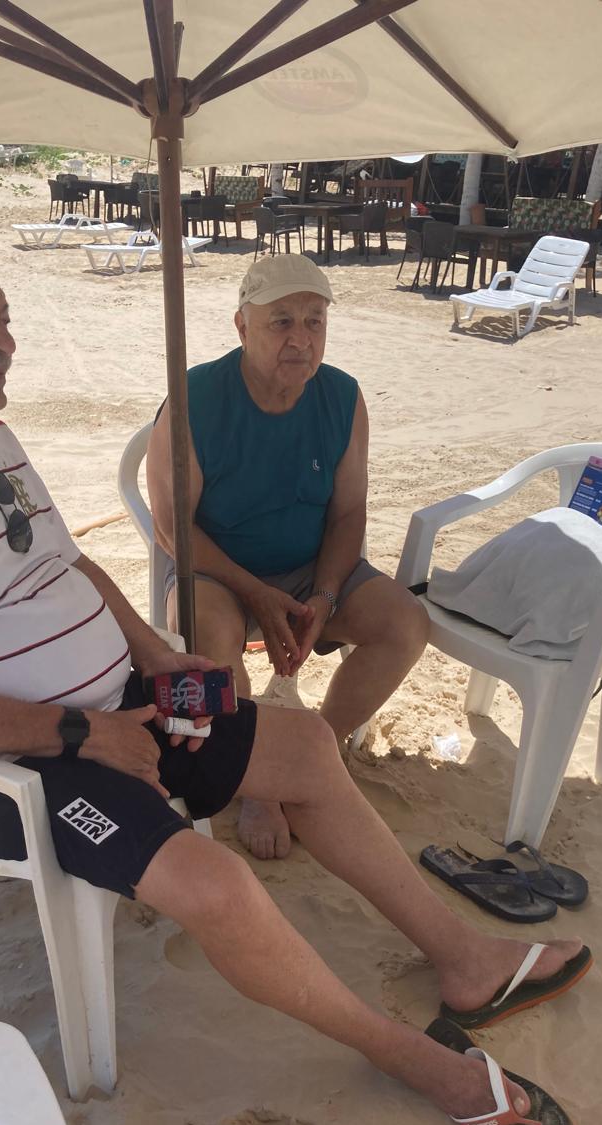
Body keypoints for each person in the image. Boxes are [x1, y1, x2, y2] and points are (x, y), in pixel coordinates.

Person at [0, 225, 590, 1125]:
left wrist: (156, 656)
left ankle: (464, 961)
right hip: (4, 770)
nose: (3, 341)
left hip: (116, 702)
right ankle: (409, 1057)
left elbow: (71, 564)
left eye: (4, 318)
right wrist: (80, 733)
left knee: (305, 747)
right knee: (217, 884)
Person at [147, 253, 429, 859]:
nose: (301, 338)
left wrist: (324, 598)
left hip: (309, 567)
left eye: (314, 321)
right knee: (209, 635)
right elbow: (174, 530)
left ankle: (312, 754)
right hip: (218, 569)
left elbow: (348, 514)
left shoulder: (343, 397)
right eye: (281, 321)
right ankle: (259, 779)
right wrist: (254, 591)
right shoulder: (193, 398)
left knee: (404, 623)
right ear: (242, 326)